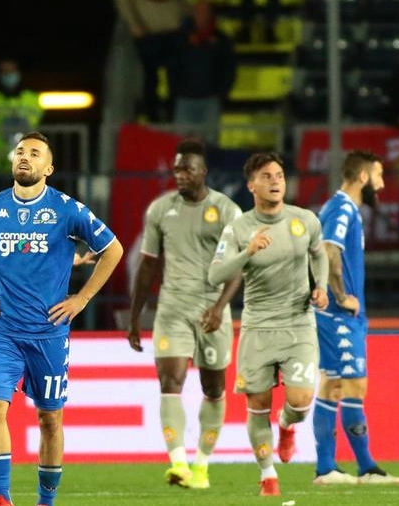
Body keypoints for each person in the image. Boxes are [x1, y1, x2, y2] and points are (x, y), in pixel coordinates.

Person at [0, 131, 124, 506]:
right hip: (4, 333)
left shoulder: (67, 210)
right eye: (20, 151)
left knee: (50, 421)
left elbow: (112, 249)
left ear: (48, 167)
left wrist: (81, 299)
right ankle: (1, 497)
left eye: (34, 153)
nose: (25, 157)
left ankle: (45, 502)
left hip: (49, 334)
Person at [207, 152, 329, 496]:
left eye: (279, 175)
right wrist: (247, 252)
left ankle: (288, 426)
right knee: (257, 405)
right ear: (251, 185)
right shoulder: (239, 228)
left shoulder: (305, 220)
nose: (276, 181)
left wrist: (320, 286)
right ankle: (267, 475)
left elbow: (318, 253)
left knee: (301, 400)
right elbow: (215, 274)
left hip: (298, 323)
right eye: (267, 176)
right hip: (258, 328)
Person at [126, 138, 242, 489]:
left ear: (203, 172)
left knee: (214, 387)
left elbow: (237, 267)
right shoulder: (160, 210)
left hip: (211, 309)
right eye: (176, 168)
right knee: (170, 382)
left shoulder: (227, 210)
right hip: (173, 307)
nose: (180, 174)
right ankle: (179, 463)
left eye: (187, 168)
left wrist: (221, 308)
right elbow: (148, 265)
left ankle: (202, 465)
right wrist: (134, 317)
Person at [312, 150, 399, 485]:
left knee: (332, 386)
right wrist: (340, 296)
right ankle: (365, 468)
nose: (381, 185)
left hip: (339, 315)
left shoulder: (343, 208)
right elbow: (329, 249)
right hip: (338, 315)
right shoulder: (342, 207)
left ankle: (327, 468)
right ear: (363, 177)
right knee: (352, 386)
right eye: (378, 176)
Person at [169, 0, 236, 144]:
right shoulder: (181, 40)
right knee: (181, 145)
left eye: (205, 12)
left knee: (210, 144)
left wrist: (222, 94)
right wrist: (176, 91)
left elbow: (229, 68)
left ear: (211, 15)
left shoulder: (222, 41)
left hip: (210, 100)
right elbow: (173, 67)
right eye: (198, 12)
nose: (201, 16)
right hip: (185, 99)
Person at [113, 0, 191, 122]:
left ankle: (173, 118)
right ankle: (153, 119)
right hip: (149, 33)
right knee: (150, 80)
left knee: (175, 79)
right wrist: (134, 24)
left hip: (174, 32)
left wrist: (187, 18)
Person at [0, 57, 44, 173]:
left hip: (30, 166)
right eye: (4, 71)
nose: (8, 75)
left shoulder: (33, 99)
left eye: (12, 71)